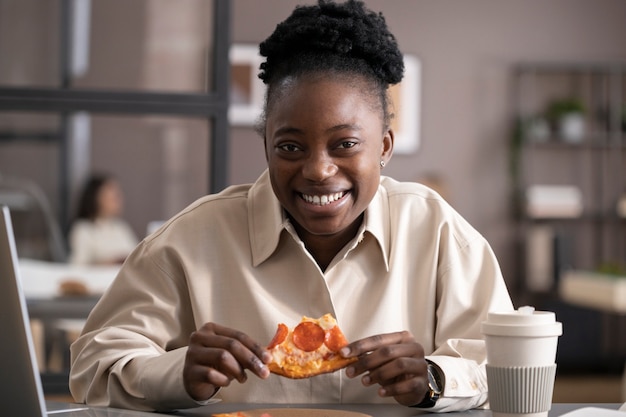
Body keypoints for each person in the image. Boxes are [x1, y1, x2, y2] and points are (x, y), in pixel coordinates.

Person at [69, 0, 513, 413]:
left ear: (384, 146)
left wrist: (434, 378)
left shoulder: (436, 231)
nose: (319, 170)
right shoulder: (189, 240)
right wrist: (176, 372)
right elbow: (92, 366)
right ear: (266, 146)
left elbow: (506, 363)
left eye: (345, 144)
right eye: (290, 146)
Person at [68, 174, 138, 265]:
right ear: (96, 198)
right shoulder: (84, 229)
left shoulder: (121, 227)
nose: (119, 200)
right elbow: (77, 266)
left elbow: (137, 258)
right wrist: (108, 263)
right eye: (114, 197)